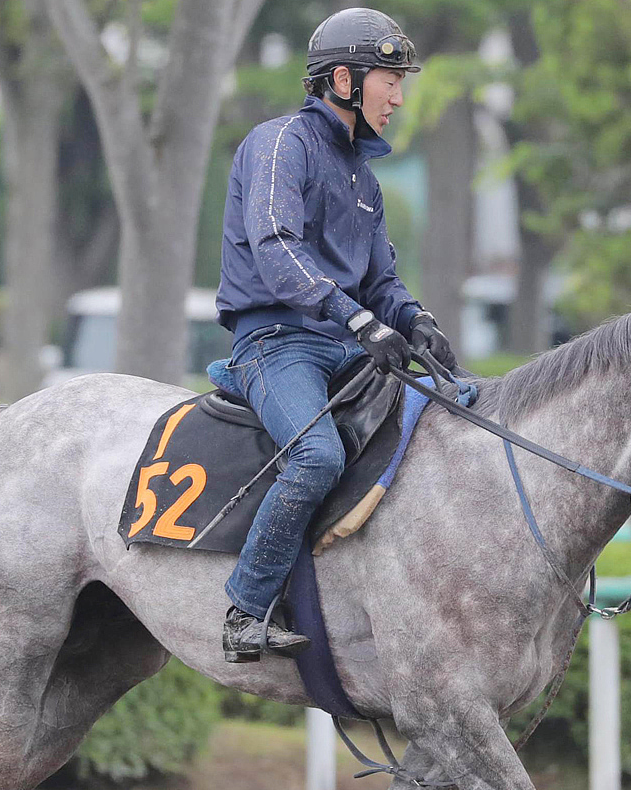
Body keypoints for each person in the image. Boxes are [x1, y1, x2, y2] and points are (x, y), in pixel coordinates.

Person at [214, 7, 458, 663]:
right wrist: (354, 318)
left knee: (447, 421)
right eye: (390, 82)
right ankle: (245, 609)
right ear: (345, 80)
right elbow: (276, 249)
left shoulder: (366, 182)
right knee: (318, 457)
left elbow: (383, 282)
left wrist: (416, 322)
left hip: (347, 348)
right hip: (275, 344)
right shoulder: (278, 144)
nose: (399, 99)